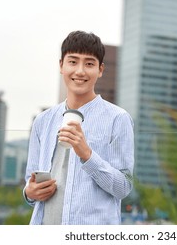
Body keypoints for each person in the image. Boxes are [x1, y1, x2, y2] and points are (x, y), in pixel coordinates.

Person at [23, 30, 134, 225]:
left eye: (89, 64)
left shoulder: (118, 119)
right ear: (61, 66)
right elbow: (30, 184)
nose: (80, 71)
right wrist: (29, 192)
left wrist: (87, 155)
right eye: (73, 62)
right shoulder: (43, 121)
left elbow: (123, 187)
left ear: (100, 70)